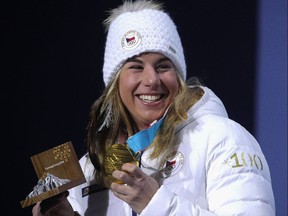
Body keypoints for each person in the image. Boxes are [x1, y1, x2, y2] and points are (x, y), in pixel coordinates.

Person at [32, 0, 275, 215]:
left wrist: (156, 205)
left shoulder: (223, 138)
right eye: (136, 67)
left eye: (163, 66)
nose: (151, 80)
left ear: (178, 76)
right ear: (115, 83)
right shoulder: (91, 168)